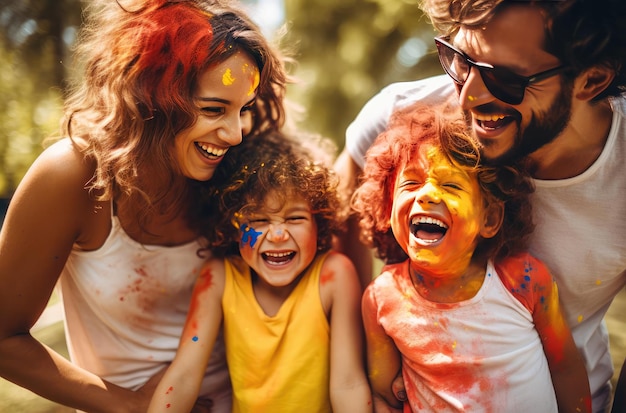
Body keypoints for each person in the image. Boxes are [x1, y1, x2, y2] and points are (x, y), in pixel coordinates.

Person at [334, 1, 626, 411]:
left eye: (506, 79)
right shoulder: (403, 117)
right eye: (460, 60)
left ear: (591, 79)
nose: (470, 95)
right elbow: (333, 235)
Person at [0, 0, 289, 411]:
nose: (235, 133)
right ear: (151, 96)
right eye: (213, 109)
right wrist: (134, 407)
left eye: (242, 110)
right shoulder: (72, 175)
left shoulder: (233, 173)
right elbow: (4, 338)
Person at [354, 102, 591, 412]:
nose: (426, 194)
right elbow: (385, 394)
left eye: (451, 185)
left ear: (489, 219)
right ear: (388, 207)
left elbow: (566, 369)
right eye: (411, 183)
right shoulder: (382, 298)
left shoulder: (523, 280)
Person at [147, 131, 371, 413]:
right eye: (258, 219)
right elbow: (184, 375)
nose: (277, 234)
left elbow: (348, 383)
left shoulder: (334, 276)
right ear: (231, 226)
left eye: (295, 218)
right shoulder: (219, 277)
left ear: (320, 220)